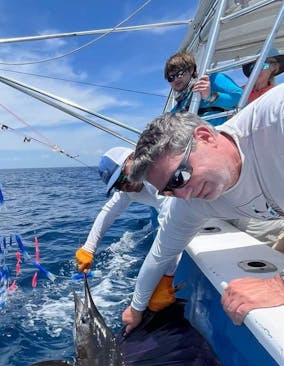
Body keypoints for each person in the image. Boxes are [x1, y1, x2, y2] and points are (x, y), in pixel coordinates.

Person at [121, 84, 284, 333]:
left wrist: (279, 285)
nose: (183, 195)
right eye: (168, 191)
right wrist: (136, 308)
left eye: (178, 177)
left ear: (205, 137)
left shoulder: (275, 117)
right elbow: (161, 254)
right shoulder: (191, 200)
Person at [75, 147, 177, 311]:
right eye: (117, 185)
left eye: (123, 177)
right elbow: (109, 211)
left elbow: (173, 229)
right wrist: (88, 248)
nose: (125, 186)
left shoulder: (157, 178)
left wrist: (167, 277)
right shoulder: (129, 187)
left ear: (134, 158)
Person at [165, 51, 243, 126]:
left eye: (179, 74)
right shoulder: (177, 107)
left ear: (191, 70)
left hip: (216, 136)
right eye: (171, 77)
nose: (175, 79)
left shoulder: (211, 79)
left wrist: (210, 96)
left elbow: (240, 97)